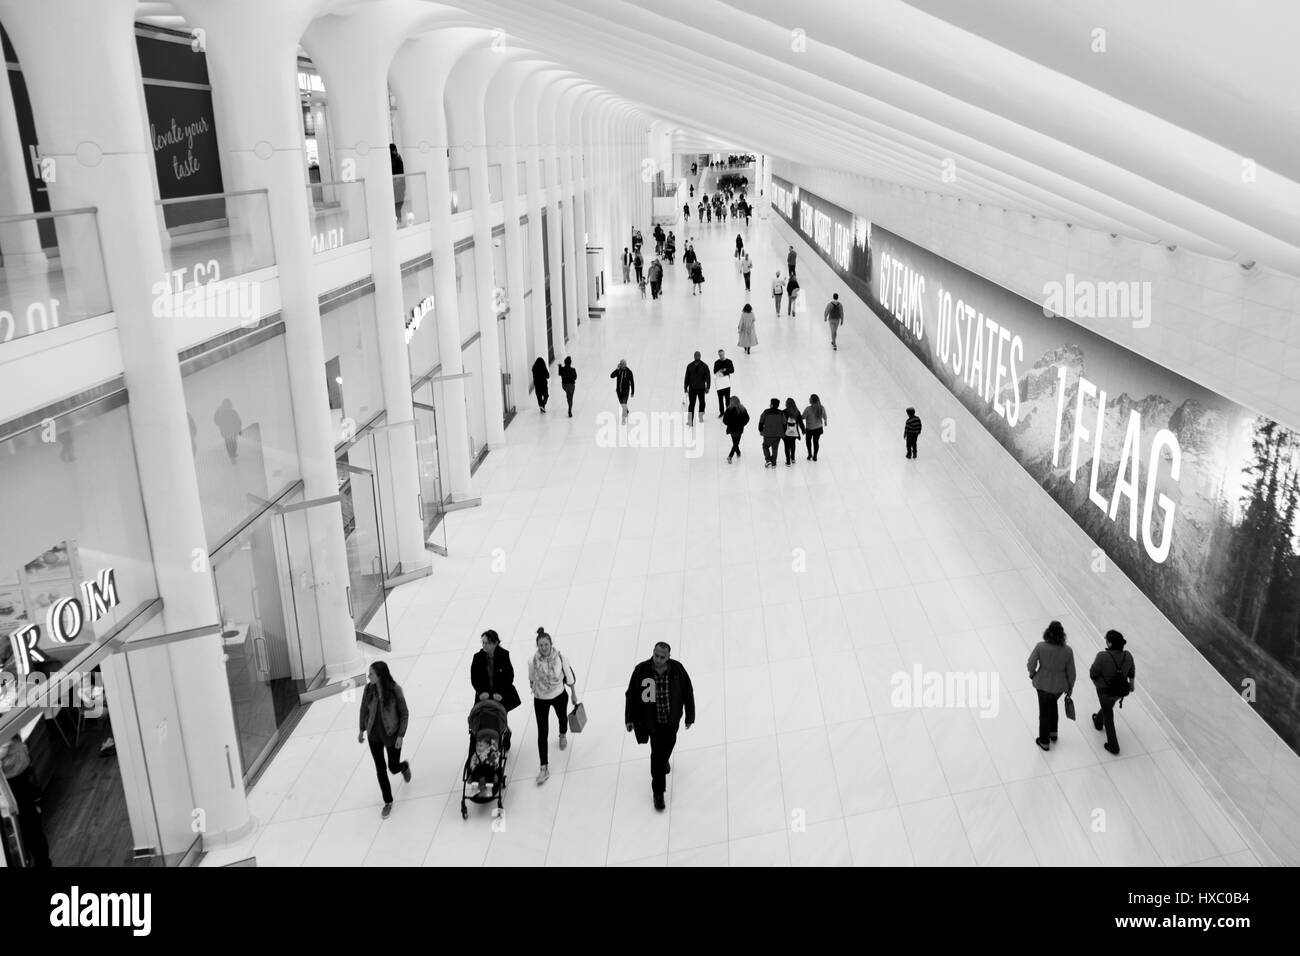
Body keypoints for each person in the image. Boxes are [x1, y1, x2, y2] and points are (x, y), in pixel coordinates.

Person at [624, 642, 695, 811]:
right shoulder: (642, 671)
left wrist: (689, 716)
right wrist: (629, 718)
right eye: (656, 655)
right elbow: (631, 695)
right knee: (656, 756)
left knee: (668, 746)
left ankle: (664, 762)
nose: (658, 659)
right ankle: (658, 792)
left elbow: (688, 692)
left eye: (662, 657)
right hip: (652, 723)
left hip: (671, 721)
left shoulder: (677, 670)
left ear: (669, 657)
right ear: (653, 653)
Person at [357, 661, 411, 818]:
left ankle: (404, 767)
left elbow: (404, 713)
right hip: (374, 735)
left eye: (371, 674)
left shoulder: (395, 690)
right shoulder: (368, 690)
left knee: (393, 767)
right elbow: (363, 709)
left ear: (380, 676)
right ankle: (388, 801)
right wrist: (361, 729)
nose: (368, 677)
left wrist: (401, 735)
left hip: (392, 735)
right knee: (380, 769)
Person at [529, 627, 576, 785]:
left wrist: (574, 694)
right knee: (542, 732)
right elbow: (531, 677)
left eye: (546, 645)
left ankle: (562, 734)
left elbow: (569, 677)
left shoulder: (561, 658)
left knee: (562, 718)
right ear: (537, 646)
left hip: (558, 695)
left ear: (551, 644)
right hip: (540, 698)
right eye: (540, 645)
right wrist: (537, 688)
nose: (543, 648)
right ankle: (544, 767)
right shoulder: (532, 661)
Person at [1, 734, 51, 866]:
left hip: (15, 780)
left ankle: (41, 862)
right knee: (29, 829)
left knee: (29, 829)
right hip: (16, 777)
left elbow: (5, 743)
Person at [1027, 620, 1076, 751]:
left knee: (1044, 713)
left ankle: (1044, 741)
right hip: (1059, 687)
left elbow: (1030, 664)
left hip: (1042, 684)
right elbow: (1072, 673)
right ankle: (1053, 733)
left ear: (1047, 632)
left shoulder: (1040, 647)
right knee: (1053, 704)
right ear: (1062, 634)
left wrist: (1033, 674)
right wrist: (1070, 687)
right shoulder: (1068, 651)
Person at [1089, 630, 1136, 755]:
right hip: (1120, 691)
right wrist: (1131, 685)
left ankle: (1113, 746)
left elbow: (1093, 673)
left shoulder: (1102, 656)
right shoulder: (1128, 656)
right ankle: (1098, 721)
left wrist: (1096, 681)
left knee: (1108, 714)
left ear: (1109, 644)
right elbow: (1131, 672)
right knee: (1108, 706)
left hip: (1104, 691)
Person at [471, 630, 522, 724]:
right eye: (483, 642)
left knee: (500, 720)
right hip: (483, 695)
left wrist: (500, 693)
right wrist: (481, 692)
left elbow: (509, 677)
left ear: (495, 643)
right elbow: (475, 678)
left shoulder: (504, 655)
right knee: (479, 719)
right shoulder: (477, 657)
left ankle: (505, 736)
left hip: (500, 696)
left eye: (488, 643)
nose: (484, 645)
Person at [683, 350, 711, 427]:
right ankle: (690, 421)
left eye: (698, 355)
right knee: (691, 404)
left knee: (702, 403)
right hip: (692, 388)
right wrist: (685, 387)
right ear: (694, 356)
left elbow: (708, 377)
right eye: (696, 355)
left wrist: (708, 387)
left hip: (701, 388)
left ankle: (701, 416)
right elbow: (687, 377)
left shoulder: (705, 366)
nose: (697, 357)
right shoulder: (689, 366)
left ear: (700, 356)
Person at [213, 398, 242, 464]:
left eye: (228, 404)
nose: (228, 406)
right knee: (229, 444)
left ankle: (233, 453)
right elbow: (216, 421)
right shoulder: (221, 413)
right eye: (226, 404)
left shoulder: (233, 412)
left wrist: (239, 429)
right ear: (223, 405)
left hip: (234, 431)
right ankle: (232, 457)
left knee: (234, 443)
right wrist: (217, 412)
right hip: (226, 432)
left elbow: (238, 421)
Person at [723, 395, 750, 463]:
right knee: (736, 443)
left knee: (735, 442)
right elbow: (747, 418)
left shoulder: (728, 410)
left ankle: (734, 454)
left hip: (731, 429)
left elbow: (724, 420)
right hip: (739, 429)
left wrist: (728, 424)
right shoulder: (742, 409)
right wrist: (743, 424)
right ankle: (733, 454)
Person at [758, 398, 784, 468]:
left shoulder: (766, 412)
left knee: (765, 446)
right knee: (775, 448)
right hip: (778, 434)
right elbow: (784, 423)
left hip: (767, 434)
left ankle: (768, 459)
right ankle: (774, 464)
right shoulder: (781, 413)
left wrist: (760, 430)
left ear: (772, 405)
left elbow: (761, 421)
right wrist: (783, 433)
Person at [803, 394, 827, 461]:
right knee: (816, 442)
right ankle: (815, 456)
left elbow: (803, 417)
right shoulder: (821, 408)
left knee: (808, 441)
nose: (809, 399)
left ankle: (809, 454)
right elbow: (824, 416)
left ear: (812, 401)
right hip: (818, 428)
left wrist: (798, 417)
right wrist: (825, 421)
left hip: (809, 429)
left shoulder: (808, 409)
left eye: (810, 398)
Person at [781, 397, 804, 466]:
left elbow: (781, 423)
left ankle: (788, 461)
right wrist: (803, 429)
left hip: (786, 432)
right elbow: (800, 422)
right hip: (794, 432)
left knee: (786, 447)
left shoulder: (784, 412)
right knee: (793, 445)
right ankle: (793, 458)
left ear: (787, 404)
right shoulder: (797, 411)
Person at [713, 349, 734, 416]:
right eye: (720, 355)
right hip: (719, 383)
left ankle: (728, 412)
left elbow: (732, 370)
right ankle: (722, 412)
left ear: (724, 354)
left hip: (726, 383)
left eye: (722, 354)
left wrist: (726, 370)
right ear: (718, 355)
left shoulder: (729, 361)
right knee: (720, 399)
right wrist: (720, 370)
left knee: (727, 399)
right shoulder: (716, 363)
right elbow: (714, 372)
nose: (721, 356)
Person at [390, 144, 406, 221]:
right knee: (398, 205)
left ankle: (398, 221)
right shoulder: (398, 157)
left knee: (397, 205)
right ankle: (398, 220)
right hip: (399, 184)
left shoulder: (394, 158)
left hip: (397, 185)